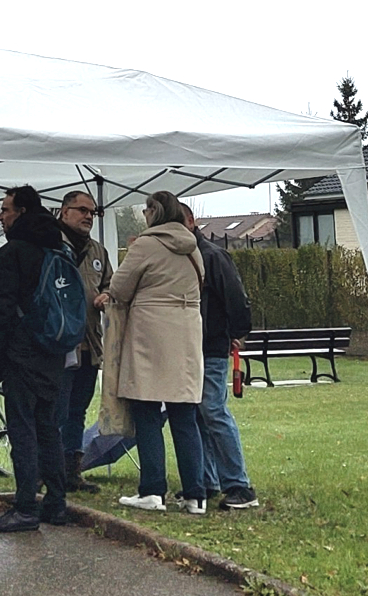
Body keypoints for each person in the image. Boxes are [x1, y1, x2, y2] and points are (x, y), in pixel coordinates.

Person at [97, 191, 205, 514]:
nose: (143, 215)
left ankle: (153, 489)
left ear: (154, 212)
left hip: (150, 334)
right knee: (184, 416)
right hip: (186, 333)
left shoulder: (145, 244)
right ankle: (195, 494)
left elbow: (119, 287)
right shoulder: (192, 247)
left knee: (146, 411)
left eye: (146, 209)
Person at [0, 185, 69, 532]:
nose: (1, 216)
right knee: (48, 427)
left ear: (21, 211)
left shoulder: (13, 251)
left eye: (5, 210)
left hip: (22, 350)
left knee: (22, 429)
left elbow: (1, 307)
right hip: (53, 348)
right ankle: (56, 503)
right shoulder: (58, 248)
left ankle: (24, 507)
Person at [181, 204, 259, 510]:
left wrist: (238, 333)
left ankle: (238, 484)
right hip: (194, 345)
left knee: (212, 410)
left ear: (190, 221)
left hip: (211, 344)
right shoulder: (191, 257)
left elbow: (235, 296)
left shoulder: (211, 256)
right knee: (200, 412)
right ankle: (209, 480)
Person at [55, 191, 113, 493]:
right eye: (82, 210)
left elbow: (109, 285)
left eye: (93, 211)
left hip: (90, 345)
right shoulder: (51, 246)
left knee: (77, 411)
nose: (89, 216)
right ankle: (49, 470)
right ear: (65, 212)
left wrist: (106, 296)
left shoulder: (97, 252)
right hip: (61, 345)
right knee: (57, 412)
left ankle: (72, 470)